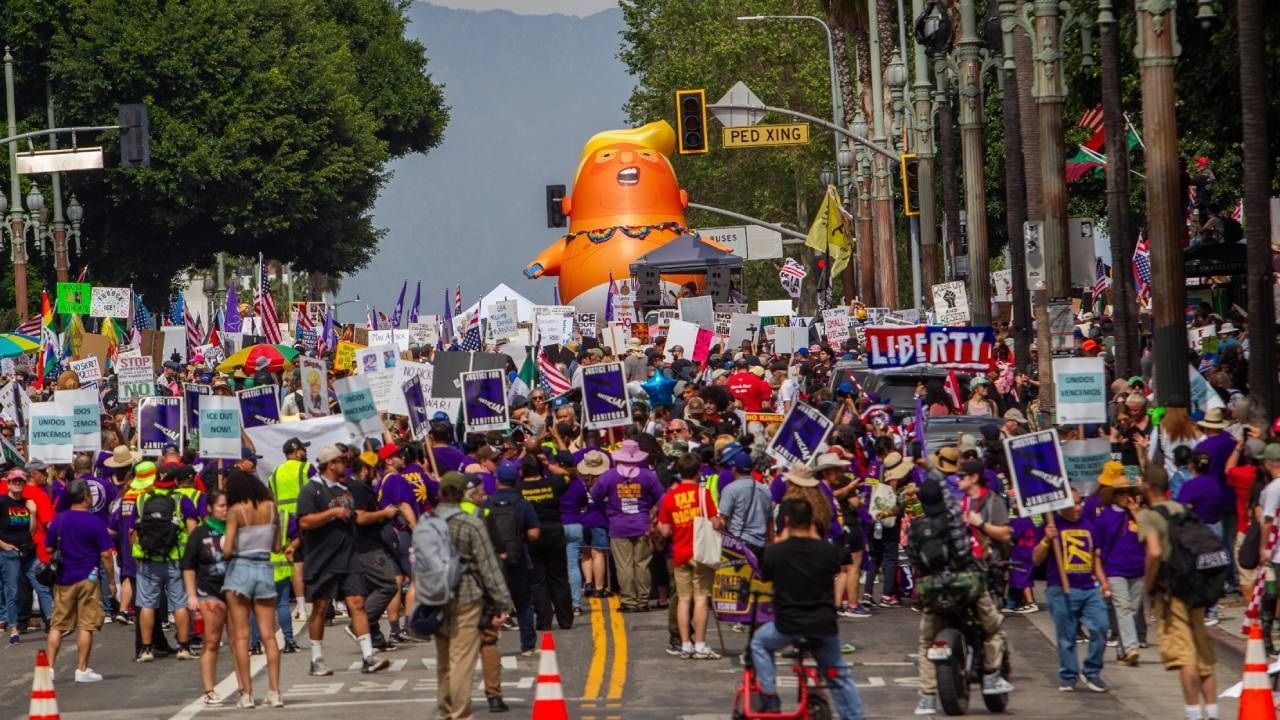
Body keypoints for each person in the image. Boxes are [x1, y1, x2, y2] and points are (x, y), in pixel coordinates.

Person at [749, 497, 864, 719]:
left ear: (786, 520)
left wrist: (781, 539)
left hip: (787, 626)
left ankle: (770, 697)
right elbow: (840, 565)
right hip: (823, 625)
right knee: (838, 674)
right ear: (812, 521)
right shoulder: (827, 552)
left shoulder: (775, 552)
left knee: (759, 643)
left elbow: (765, 575)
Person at [909, 477, 1011, 715]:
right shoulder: (955, 521)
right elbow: (968, 553)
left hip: (932, 590)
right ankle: (992, 675)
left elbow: (915, 561)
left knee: (926, 643)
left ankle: (926, 696)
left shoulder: (915, 528)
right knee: (993, 628)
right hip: (966, 585)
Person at [297, 444, 390, 676]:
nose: (345, 465)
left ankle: (368, 655)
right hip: (322, 558)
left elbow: (354, 516)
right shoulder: (311, 490)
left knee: (357, 603)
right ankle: (316, 658)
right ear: (331, 464)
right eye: (341, 461)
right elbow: (305, 522)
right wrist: (331, 513)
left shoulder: (344, 490)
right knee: (320, 607)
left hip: (348, 557)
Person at [1138, 465, 1218, 720]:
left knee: (1185, 657)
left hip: (1172, 592)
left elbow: (1154, 552)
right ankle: (1213, 713)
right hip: (1196, 586)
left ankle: (1193, 714)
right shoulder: (1184, 510)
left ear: (1146, 487)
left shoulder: (1149, 516)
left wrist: (1149, 585)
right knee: (1203, 656)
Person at [435, 471, 513, 720]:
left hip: (436, 596)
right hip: (467, 596)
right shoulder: (471, 522)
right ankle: (463, 712)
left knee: (444, 659)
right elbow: (489, 565)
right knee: (464, 657)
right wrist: (503, 602)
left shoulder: (429, 521)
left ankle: (446, 709)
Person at [1034, 488, 1111, 693]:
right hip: (1060, 589)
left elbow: (1095, 559)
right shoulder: (1052, 526)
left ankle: (1092, 671)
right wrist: (1046, 540)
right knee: (1066, 637)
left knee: (1101, 627)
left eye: (1080, 502)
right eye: (1075, 503)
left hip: (1088, 588)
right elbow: (1036, 559)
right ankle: (1069, 675)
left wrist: (1103, 583)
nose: (1079, 507)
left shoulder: (1089, 526)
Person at [222, 469, 284, 708]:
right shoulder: (271, 507)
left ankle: (246, 694)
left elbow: (227, 549)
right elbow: (277, 545)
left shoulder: (236, 511)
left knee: (241, 636)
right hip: (264, 568)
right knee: (269, 635)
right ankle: (275, 691)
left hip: (240, 569)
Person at [45, 480, 116, 683]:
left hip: (64, 576)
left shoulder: (59, 519)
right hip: (89, 577)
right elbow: (105, 554)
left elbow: (49, 548)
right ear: (86, 497)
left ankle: (49, 668)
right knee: (86, 624)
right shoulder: (95, 522)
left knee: (57, 624)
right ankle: (82, 669)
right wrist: (111, 581)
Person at [132, 465, 200, 662]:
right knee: (179, 604)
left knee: (146, 604)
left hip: (147, 560)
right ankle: (184, 647)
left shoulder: (142, 499)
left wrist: (138, 552)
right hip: (174, 559)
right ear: (175, 482)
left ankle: (146, 649)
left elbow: (133, 532)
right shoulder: (182, 500)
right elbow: (193, 530)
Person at [658, 453, 723, 659]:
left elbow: (665, 531)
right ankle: (701, 645)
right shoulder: (703, 495)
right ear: (697, 473)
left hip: (680, 552)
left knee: (683, 600)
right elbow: (715, 523)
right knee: (701, 598)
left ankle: (685, 644)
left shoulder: (669, 497)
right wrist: (721, 522)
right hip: (701, 552)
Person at [590, 440, 664, 612]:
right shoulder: (647, 475)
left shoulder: (608, 476)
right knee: (642, 564)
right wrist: (651, 512)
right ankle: (643, 600)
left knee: (624, 565)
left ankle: (629, 601)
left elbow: (595, 495)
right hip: (642, 524)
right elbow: (661, 497)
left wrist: (608, 509)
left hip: (618, 525)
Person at [482, 462, 540, 655]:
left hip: (492, 560)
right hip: (517, 557)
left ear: (497, 480)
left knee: (491, 604)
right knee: (524, 603)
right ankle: (528, 645)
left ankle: (488, 644)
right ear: (516, 480)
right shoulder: (522, 504)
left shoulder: (486, 503)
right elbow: (534, 533)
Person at [180, 489, 231, 706]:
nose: (225, 509)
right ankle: (209, 689)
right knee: (211, 642)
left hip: (235, 590)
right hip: (209, 591)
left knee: (240, 641)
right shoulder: (199, 533)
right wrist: (191, 595)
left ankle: (245, 688)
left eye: (228, 505)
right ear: (210, 508)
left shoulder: (234, 529)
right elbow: (188, 566)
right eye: (221, 505)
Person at [348, 450, 401, 651]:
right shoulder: (358, 488)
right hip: (367, 547)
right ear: (364, 469)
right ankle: (358, 624)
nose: (376, 473)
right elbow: (360, 517)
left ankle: (375, 636)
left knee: (370, 590)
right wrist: (384, 513)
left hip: (368, 544)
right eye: (373, 469)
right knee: (388, 585)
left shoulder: (361, 486)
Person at [518, 453, 573, 630]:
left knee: (537, 581)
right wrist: (547, 464)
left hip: (531, 536)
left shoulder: (519, 489)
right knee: (559, 578)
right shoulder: (553, 483)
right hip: (554, 533)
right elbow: (566, 474)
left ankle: (544, 620)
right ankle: (565, 619)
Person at [268, 436, 312, 622]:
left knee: (297, 565)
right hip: (307, 518)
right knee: (319, 560)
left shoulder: (274, 473)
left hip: (285, 523)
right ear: (296, 451)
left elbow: (271, 498)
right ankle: (332, 605)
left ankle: (301, 608)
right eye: (302, 449)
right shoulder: (306, 468)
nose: (305, 452)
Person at [0, 469, 43, 645]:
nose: (17, 483)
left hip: (26, 551)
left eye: (20, 481)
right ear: (8, 483)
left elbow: (31, 531)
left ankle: (51, 621)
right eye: (14, 481)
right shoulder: (2, 501)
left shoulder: (27, 503)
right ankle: (13, 628)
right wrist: (2, 545)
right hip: (8, 552)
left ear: (25, 483)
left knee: (40, 583)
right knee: (12, 590)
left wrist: (32, 513)